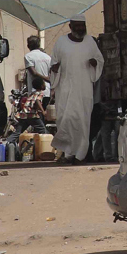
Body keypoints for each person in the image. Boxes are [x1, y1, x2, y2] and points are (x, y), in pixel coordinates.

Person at [49, 16, 104, 164]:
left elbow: (100, 61)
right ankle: (67, 154)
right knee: (65, 121)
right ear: (70, 26)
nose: (81, 28)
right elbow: (54, 63)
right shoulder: (61, 42)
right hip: (65, 89)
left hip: (84, 90)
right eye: (77, 25)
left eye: (82, 25)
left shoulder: (90, 42)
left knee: (82, 122)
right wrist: (54, 69)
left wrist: (95, 63)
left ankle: (80, 155)